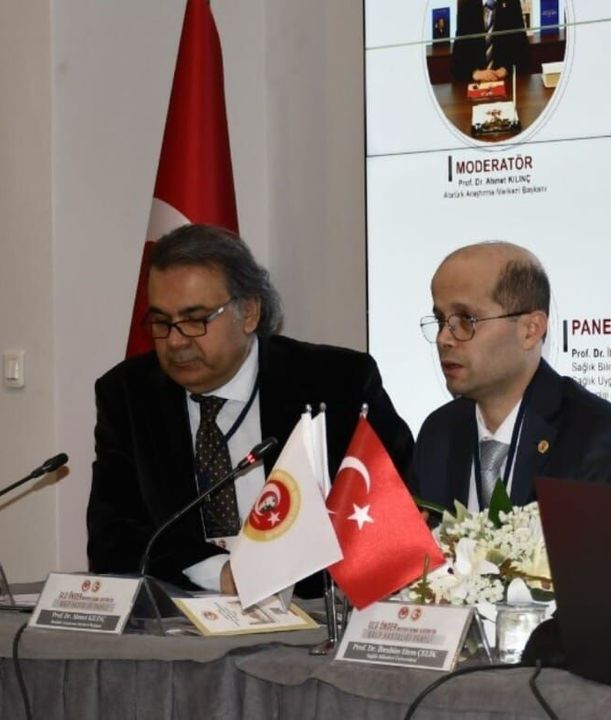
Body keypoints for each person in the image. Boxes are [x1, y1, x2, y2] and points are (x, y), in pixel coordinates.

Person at [87, 224, 414, 595]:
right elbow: (112, 538)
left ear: (249, 312)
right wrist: (221, 573)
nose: (175, 341)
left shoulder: (338, 382)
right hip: (183, 613)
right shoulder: (128, 394)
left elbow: (397, 513)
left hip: (314, 610)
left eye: (194, 320)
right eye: (162, 322)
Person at [409, 242, 611, 511]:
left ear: (531, 330)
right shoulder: (439, 434)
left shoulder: (597, 438)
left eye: (466, 320)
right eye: (441, 320)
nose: (444, 338)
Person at [451, 0, 531, 83]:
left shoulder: (512, 3)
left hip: (504, 80)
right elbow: (457, 61)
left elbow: (523, 52)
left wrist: (506, 69)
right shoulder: (466, 5)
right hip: (475, 82)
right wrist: (475, 73)